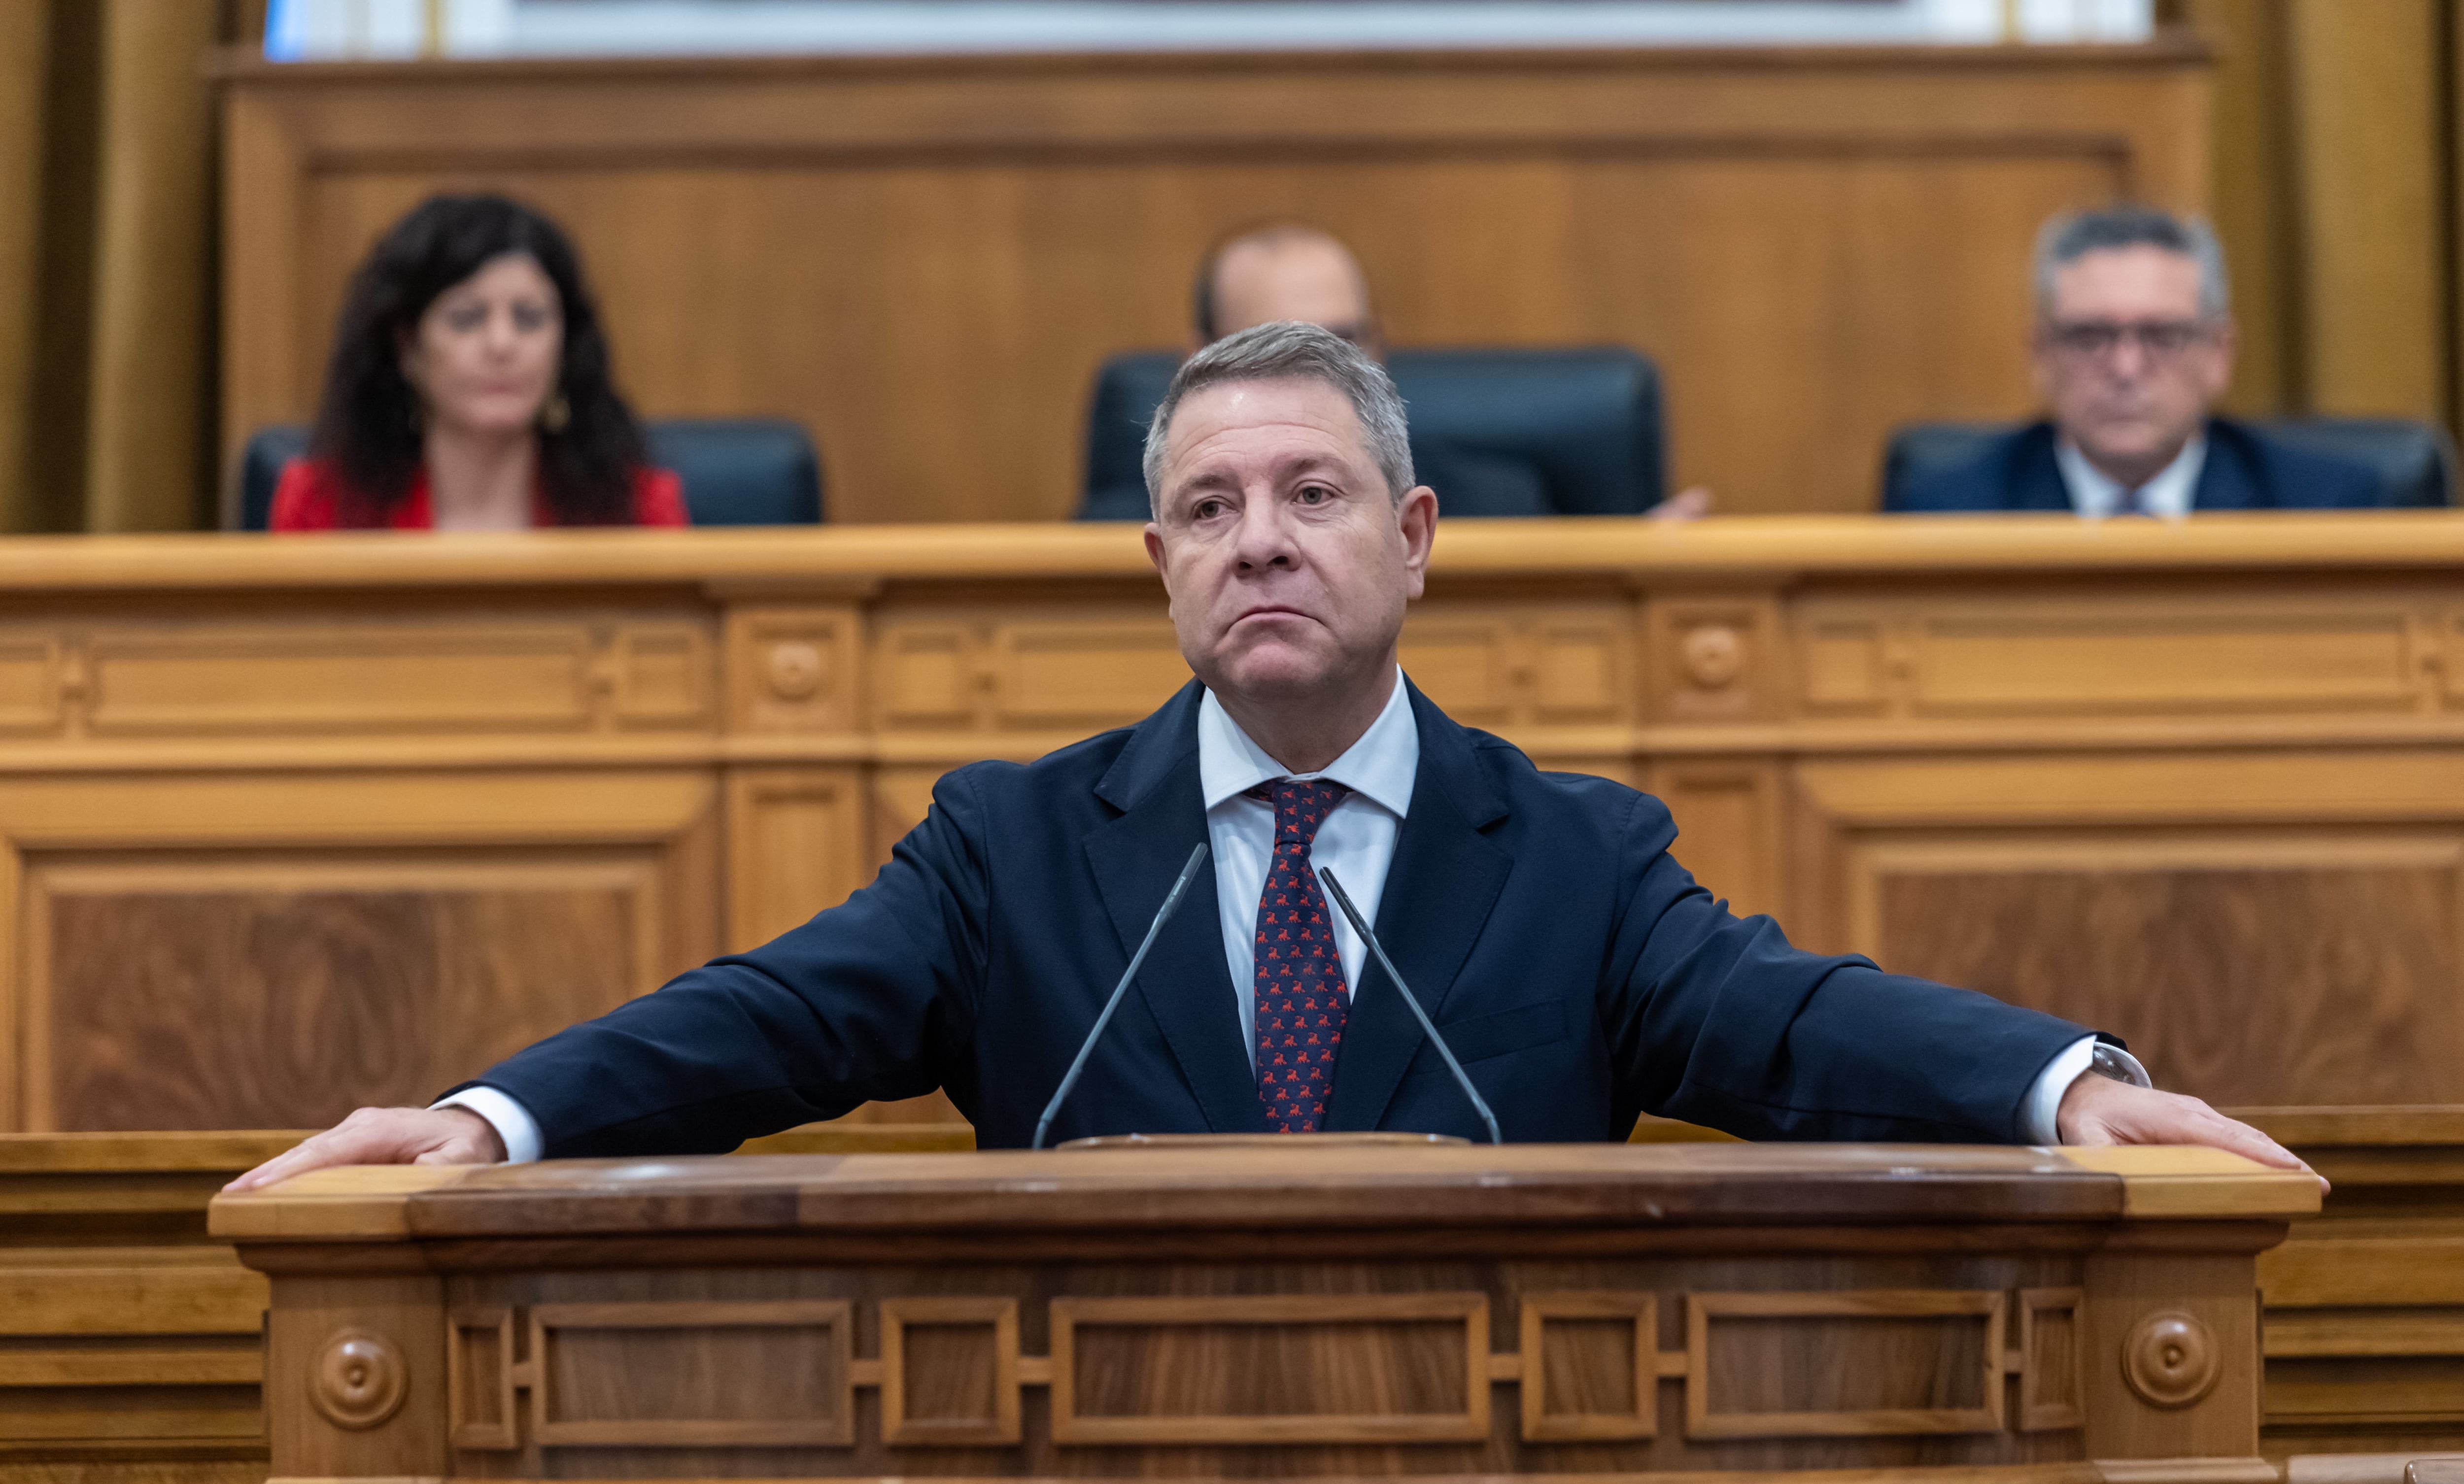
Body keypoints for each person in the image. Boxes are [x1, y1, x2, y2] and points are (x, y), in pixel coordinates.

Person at [231, 322, 2306, 1189]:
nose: (1260, 543)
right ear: (1157, 569)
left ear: (1412, 542)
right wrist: (489, 1121)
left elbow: (1780, 1018)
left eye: (1312, 495)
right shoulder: (1015, 844)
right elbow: (766, 1017)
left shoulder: (1571, 851)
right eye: (1212, 511)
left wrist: (2061, 1087)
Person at [1080, 223, 1712, 522]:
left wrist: (1626, 569)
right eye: (1276, 346)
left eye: (1345, 339)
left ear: (1380, 345)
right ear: (1198, 361)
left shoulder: (1495, 508)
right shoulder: (1114, 540)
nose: (1324, 370)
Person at [1888, 204, 2381, 516]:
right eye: (2089, 337)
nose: (2124, 369)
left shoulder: (2321, 506)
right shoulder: (1952, 512)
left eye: (2161, 336)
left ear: (2218, 355)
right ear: (2041, 357)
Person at [270, 194, 687, 532]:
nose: (502, 344)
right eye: (467, 319)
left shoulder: (639, 511)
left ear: (565, 345)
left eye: (529, 318)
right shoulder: (320, 507)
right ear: (408, 347)